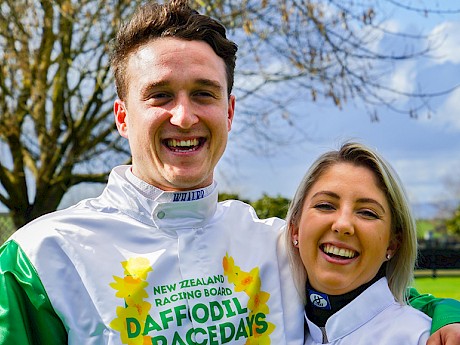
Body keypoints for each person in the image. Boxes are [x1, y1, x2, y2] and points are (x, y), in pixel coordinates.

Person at [0, 1, 459, 344]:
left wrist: (447, 318)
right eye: (159, 95)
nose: (183, 117)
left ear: (229, 111)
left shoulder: (279, 246)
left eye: (204, 94)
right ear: (122, 116)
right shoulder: (42, 259)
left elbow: (382, 307)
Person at [285, 142, 453, 344]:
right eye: (325, 205)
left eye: (367, 212)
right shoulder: (270, 327)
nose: (343, 224)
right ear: (295, 228)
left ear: (393, 244)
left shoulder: (421, 338)